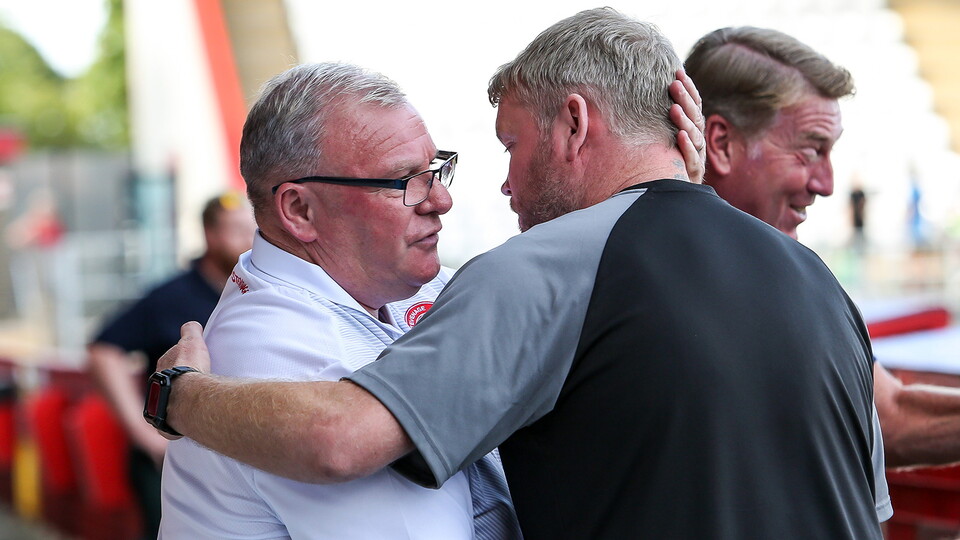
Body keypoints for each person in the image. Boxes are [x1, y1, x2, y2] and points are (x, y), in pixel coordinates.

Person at [150, 8, 881, 539]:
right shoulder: (814, 280)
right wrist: (676, 193)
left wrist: (178, 396)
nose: (484, 191)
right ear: (298, 209)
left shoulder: (543, 273)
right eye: (405, 180)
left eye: (509, 145)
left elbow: (338, 438)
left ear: (573, 124)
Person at [158, 62, 522, 540]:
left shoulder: (406, 283)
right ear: (299, 210)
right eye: (403, 181)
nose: (440, 200)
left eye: (436, 169)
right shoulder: (274, 353)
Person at [685, 26, 960, 477]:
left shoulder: (790, 280)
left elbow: (886, 417)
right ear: (720, 144)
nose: (826, 184)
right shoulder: (642, 279)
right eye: (811, 150)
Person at [88, 191, 255, 539]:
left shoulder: (258, 294)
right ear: (210, 235)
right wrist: (145, 434)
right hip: (170, 458)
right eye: (236, 230)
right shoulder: (170, 296)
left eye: (252, 229)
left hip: (236, 460)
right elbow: (104, 350)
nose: (247, 240)